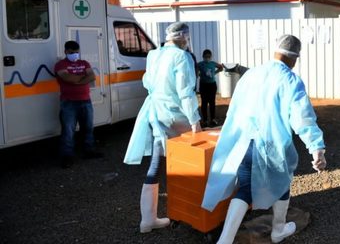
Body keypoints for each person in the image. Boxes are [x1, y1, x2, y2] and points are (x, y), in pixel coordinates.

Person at [201, 35, 326, 244]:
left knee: (245, 189)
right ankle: (278, 231)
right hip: (272, 144)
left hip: (243, 141)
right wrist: (316, 148)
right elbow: (302, 118)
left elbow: (236, 106)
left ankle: (225, 240)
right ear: (295, 58)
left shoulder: (252, 74)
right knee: (282, 183)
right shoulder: (290, 80)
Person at [123, 22, 202, 234]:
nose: (187, 41)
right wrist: (195, 120)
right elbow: (185, 91)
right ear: (183, 36)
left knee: (156, 165)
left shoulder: (153, 54)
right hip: (176, 115)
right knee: (193, 161)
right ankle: (195, 211)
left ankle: (147, 220)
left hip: (155, 113)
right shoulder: (181, 57)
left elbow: (147, 82)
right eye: (186, 37)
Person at [54, 40, 102, 169]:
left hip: (85, 100)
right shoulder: (60, 64)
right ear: (65, 52)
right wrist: (82, 78)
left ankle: (89, 151)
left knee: (88, 128)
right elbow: (66, 77)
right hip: (68, 102)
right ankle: (67, 157)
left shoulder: (84, 63)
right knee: (68, 131)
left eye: (76, 52)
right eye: (71, 52)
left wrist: (76, 80)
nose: (74, 54)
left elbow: (92, 77)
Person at [197, 49, 223, 127]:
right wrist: (199, 74)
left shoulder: (213, 63)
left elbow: (221, 67)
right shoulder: (200, 64)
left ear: (211, 57)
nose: (207, 58)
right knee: (204, 103)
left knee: (212, 102)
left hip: (212, 85)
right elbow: (195, 69)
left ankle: (213, 119)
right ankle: (204, 120)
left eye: (209, 57)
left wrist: (215, 72)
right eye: (205, 57)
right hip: (203, 85)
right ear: (203, 57)